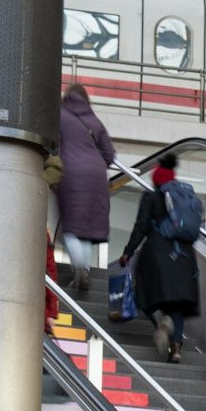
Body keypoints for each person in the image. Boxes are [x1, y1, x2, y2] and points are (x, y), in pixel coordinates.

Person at [118, 156, 201, 363]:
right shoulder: (185, 198)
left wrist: (128, 250)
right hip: (185, 256)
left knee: (142, 292)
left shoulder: (151, 197)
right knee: (177, 305)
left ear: (155, 181)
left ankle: (161, 321)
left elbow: (141, 226)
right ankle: (176, 348)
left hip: (157, 252)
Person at [56, 84, 118, 293]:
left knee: (71, 228)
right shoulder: (94, 120)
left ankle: (80, 267)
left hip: (70, 172)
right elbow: (110, 155)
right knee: (87, 230)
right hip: (97, 175)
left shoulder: (60, 116)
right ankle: (85, 271)